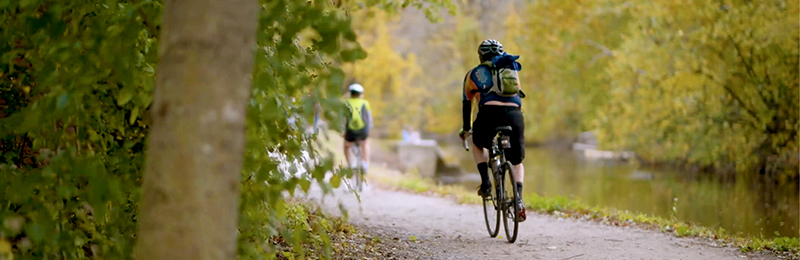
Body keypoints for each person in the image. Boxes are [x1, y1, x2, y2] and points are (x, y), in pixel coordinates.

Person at [459, 39, 527, 222]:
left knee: (478, 143)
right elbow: (517, 95)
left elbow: (467, 104)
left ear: (480, 56)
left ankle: (486, 183)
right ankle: (518, 199)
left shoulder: (473, 74)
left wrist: (466, 129)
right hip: (514, 115)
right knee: (517, 161)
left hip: (489, 115)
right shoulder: (511, 69)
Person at [344, 83, 373, 174]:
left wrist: (342, 131)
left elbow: (343, 119)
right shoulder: (365, 103)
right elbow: (369, 119)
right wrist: (369, 129)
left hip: (350, 131)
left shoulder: (346, 103)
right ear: (360, 94)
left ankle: (350, 165)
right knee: (365, 144)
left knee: (346, 146)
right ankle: (365, 164)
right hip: (363, 130)